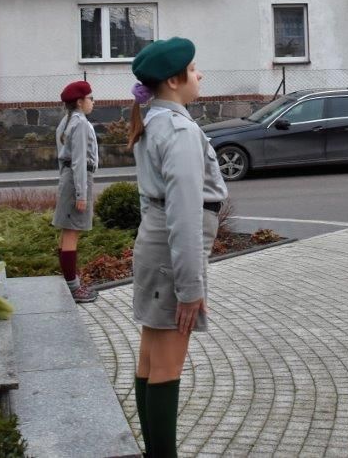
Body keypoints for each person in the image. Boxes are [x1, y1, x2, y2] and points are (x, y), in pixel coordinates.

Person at [127, 38, 228, 457]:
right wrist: (191, 289)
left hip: (154, 245)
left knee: (151, 358)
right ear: (174, 80)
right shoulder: (181, 131)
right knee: (167, 367)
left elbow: (152, 203)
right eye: (193, 69)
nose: (199, 75)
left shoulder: (152, 120)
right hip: (173, 254)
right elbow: (185, 216)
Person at [53, 80, 99, 303]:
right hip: (77, 180)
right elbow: (80, 160)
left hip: (68, 179)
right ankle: (73, 287)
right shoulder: (79, 123)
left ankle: (71, 281)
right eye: (90, 98)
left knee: (66, 232)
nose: (92, 102)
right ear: (80, 102)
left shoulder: (66, 121)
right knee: (71, 233)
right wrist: (81, 194)